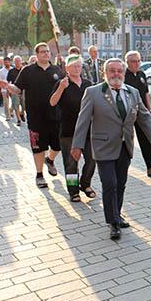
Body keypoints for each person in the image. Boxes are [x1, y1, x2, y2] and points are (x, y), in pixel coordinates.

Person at [71, 58, 151, 240]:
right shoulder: (93, 92)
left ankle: (117, 214)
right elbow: (83, 121)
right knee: (110, 183)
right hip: (103, 145)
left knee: (120, 183)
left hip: (124, 146)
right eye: (112, 71)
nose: (116, 74)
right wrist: (77, 145)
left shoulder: (133, 93)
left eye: (119, 71)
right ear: (105, 73)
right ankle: (112, 222)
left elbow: (144, 117)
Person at [3, 43, 65, 188]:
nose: (46, 54)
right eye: (43, 52)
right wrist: (7, 86)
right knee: (38, 147)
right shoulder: (27, 70)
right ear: (37, 54)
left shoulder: (57, 70)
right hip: (35, 116)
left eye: (48, 51)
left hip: (55, 115)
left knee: (58, 146)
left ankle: (50, 160)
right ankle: (39, 175)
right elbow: (18, 89)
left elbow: (65, 90)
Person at [49, 55, 97, 202]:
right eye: (73, 66)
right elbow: (52, 102)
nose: (77, 68)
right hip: (69, 129)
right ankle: (73, 190)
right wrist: (61, 89)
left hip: (88, 128)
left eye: (79, 65)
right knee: (71, 163)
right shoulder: (62, 83)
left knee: (92, 158)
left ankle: (85, 183)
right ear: (67, 68)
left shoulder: (88, 84)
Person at [124, 50, 151, 177]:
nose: (137, 63)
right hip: (128, 113)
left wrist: (149, 108)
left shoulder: (141, 74)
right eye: (133, 61)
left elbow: (146, 92)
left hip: (141, 111)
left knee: (146, 138)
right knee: (126, 140)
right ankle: (123, 167)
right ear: (127, 63)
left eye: (138, 61)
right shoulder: (123, 75)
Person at [7, 56, 26, 126]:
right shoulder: (11, 71)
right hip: (14, 89)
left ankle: (22, 113)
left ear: (21, 61)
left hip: (23, 89)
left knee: (24, 104)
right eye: (16, 61)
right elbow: (8, 81)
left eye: (18, 61)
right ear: (14, 62)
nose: (17, 62)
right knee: (16, 104)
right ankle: (18, 120)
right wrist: (8, 90)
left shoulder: (24, 70)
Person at [0, 57, 12, 121]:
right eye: (5, 62)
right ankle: (7, 116)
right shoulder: (1, 71)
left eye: (7, 62)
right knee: (6, 103)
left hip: (13, 88)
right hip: (4, 89)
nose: (6, 63)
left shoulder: (13, 69)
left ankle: (11, 110)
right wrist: (0, 89)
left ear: (10, 62)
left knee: (14, 103)